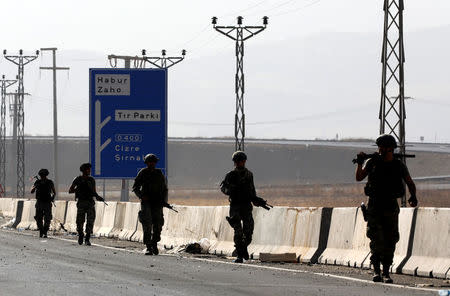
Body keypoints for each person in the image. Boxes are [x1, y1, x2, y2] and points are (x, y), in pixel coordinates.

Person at [355, 134, 418, 283]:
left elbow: (410, 182)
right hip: (374, 205)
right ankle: (376, 270)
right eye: (380, 147)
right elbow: (359, 177)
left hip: (390, 206)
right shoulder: (372, 162)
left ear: (391, 148)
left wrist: (413, 196)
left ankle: (386, 272)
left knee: (390, 239)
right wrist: (360, 163)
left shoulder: (398, 165)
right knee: (376, 239)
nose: (381, 150)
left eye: (384, 147)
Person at [221, 151, 262, 263]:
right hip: (235, 207)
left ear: (244, 161)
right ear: (235, 162)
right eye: (238, 161)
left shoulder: (249, 174)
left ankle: (243, 248)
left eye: (242, 161)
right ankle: (240, 255)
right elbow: (223, 188)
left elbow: (252, 190)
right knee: (238, 232)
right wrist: (231, 191)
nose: (240, 163)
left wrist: (256, 200)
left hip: (246, 206)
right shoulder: (231, 175)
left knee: (248, 233)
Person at [132, 154, 168, 255]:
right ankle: (148, 246)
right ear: (147, 163)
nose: (152, 163)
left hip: (157, 203)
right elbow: (135, 188)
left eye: (153, 162)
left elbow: (164, 189)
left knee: (158, 224)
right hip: (146, 202)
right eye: (150, 162)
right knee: (147, 224)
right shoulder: (143, 173)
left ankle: (154, 243)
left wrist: (163, 200)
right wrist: (141, 196)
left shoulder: (159, 173)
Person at [69, 163, 103, 246]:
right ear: (83, 170)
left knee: (90, 221)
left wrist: (98, 197)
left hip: (90, 202)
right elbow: (70, 190)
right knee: (80, 221)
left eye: (89, 169)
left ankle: (87, 238)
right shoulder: (77, 179)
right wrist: (78, 188)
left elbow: (94, 192)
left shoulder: (91, 180)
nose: (89, 171)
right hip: (81, 202)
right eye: (88, 169)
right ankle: (81, 234)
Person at [31, 169, 56, 238]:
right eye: (42, 175)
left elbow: (54, 192)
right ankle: (41, 230)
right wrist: (35, 187)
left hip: (47, 202)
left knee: (47, 218)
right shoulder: (37, 182)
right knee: (39, 218)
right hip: (39, 202)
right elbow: (32, 191)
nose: (43, 177)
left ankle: (45, 231)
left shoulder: (50, 182)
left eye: (43, 175)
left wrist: (52, 199)